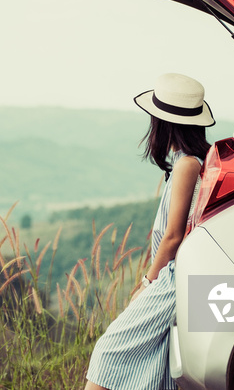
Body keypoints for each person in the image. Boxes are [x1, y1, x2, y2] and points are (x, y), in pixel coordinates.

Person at [85, 73, 215, 390]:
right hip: (174, 277)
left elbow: (173, 236)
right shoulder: (190, 160)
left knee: (108, 353)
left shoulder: (188, 165)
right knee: (157, 369)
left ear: (164, 123)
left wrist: (147, 282)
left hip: (171, 279)